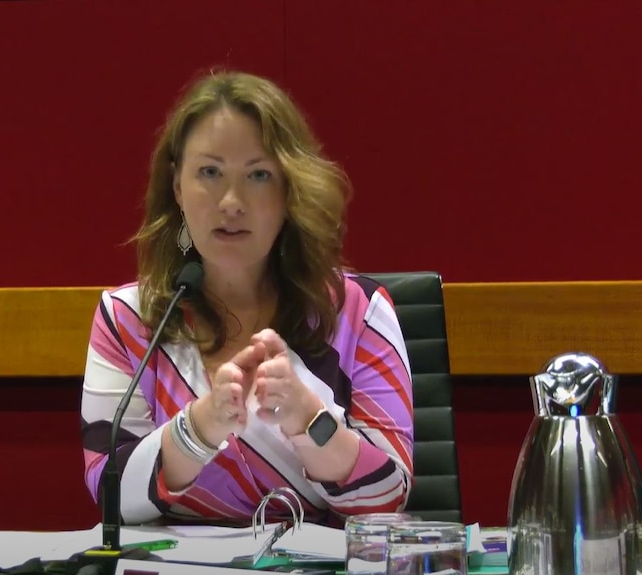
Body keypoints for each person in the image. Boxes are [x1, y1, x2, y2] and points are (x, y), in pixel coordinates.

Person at [80, 70, 413, 527]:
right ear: (177, 187)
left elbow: (387, 498)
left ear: (289, 190)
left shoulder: (359, 312)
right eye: (210, 172)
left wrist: (310, 420)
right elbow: (109, 492)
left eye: (258, 175)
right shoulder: (128, 320)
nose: (232, 201)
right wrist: (197, 429)